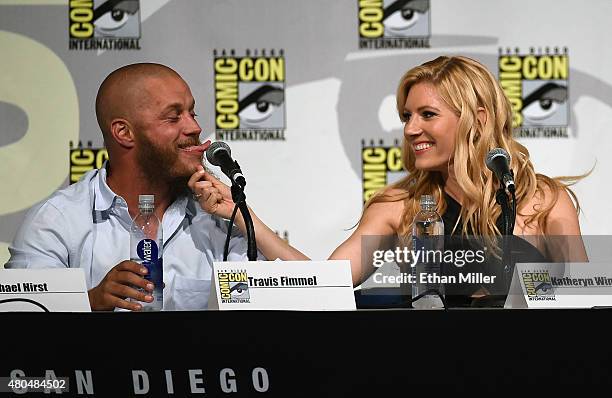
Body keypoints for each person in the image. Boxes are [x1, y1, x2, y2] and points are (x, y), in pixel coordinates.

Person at [5, 63, 306, 311]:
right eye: (174, 116)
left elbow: (310, 294)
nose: (194, 128)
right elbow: (20, 318)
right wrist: (91, 302)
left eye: (192, 113)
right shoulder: (59, 219)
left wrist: (245, 216)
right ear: (124, 132)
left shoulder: (218, 218)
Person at [328, 55, 588, 290]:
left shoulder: (544, 201)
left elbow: (585, 296)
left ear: (478, 121)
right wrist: (284, 249)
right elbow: (325, 285)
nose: (409, 129)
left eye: (427, 114)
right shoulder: (399, 206)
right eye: (407, 116)